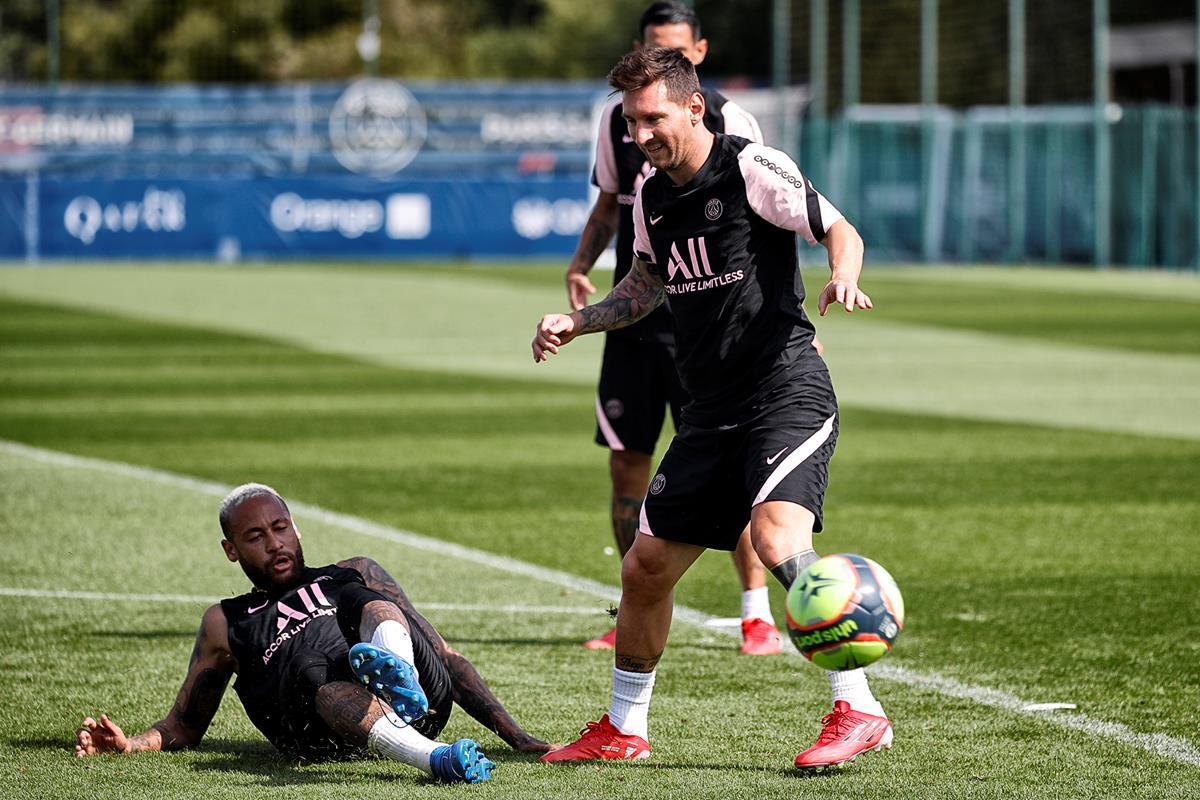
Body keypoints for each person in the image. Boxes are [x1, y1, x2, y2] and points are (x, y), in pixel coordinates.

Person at [531, 47, 888, 770]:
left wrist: (842, 274)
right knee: (646, 565)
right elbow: (642, 287)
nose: (641, 135)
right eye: (631, 122)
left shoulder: (753, 166)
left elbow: (837, 227)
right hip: (711, 410)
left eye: (652, 118)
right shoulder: (651, 195)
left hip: (785, 389)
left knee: (778, 537)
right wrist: (582, 320)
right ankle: (624, 729)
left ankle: (859, 707)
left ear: (694, 107)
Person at [74, 483, 549, 782]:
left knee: (368, 599)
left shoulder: (350, 572)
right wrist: (129, 745)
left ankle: (396, 674)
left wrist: (518, 737)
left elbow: (444, 655)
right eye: (255, 537)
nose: (274, 542)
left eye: (280, 528)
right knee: (308, 664)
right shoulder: (226, 621)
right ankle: (436, 760)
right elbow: (185, 723)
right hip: (326, 727)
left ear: (297, 530)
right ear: (231, 550)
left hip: (423, 702)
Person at [567, 0, 783, 656]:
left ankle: (755, 615)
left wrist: (782, 316)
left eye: (680, 52)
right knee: (627, 464)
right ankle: (631, 605)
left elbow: (765, 218)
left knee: (734, 471)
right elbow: (610, 202)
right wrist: (580, 266)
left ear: (699, 54)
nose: (669, 58)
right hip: (637, 310)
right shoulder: (616, 122)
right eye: (656, 48)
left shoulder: (732, 122)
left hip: (710, 320)